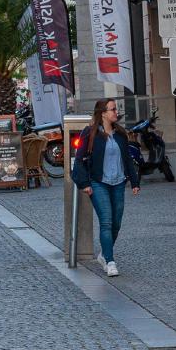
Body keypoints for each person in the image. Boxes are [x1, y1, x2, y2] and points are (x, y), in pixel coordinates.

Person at [72, 98, 141, 278]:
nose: (115, 112)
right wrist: (85, 184)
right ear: (102, 112)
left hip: (118, 182)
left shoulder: (120, 134)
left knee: (116, 223)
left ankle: (104, 253)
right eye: (112, 109)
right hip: (98, 182)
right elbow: (79, 160)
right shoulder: (90, 133)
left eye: (115, 109)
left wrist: (134, 182)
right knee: (106, 221)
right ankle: (110, 261)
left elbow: (127, 159)